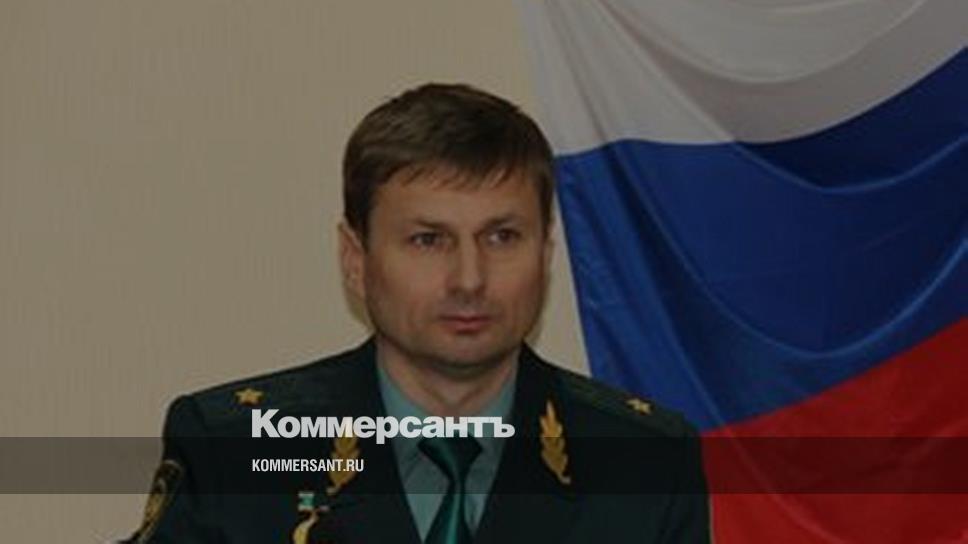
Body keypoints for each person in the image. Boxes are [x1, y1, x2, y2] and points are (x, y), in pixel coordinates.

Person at [127, 83, 710, 543]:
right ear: (356, 260)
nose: (469, 279)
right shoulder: (239, 449)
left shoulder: (645, 463)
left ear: (546, 253)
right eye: (428, 240)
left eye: (502, 236)